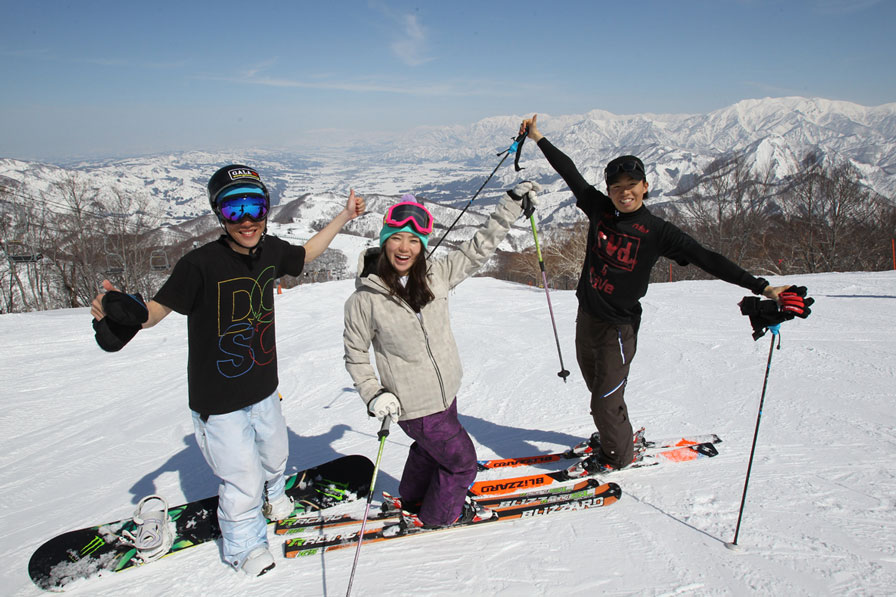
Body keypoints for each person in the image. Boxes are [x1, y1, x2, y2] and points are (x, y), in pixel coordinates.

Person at [90, 164, 365, 576]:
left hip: (264, 386)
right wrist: (116, 313)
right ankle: (244, 544)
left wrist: (345, 217)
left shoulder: (270, 249)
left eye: (255, 207)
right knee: (241, 477)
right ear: (220, 215)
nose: (248, 220)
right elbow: (152, 314)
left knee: (275, 455)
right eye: (235, 211)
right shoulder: (198, 265)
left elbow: (306, 253)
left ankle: (274, 494)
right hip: (217, 401)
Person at [519, 114, 812, 475]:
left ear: (645, 187)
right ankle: (615, 432)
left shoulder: (657, 231)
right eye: (616, 186)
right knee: (598, 390)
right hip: (587, 319)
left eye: (631, 185)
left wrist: (763, 287)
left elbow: (708, 259)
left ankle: (617, 455)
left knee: (604, 401)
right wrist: (537, 137)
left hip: (618, 329)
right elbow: (570, 172)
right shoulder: (599, 210)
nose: (624, 192)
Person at [343, 186, 539, 528]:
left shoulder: (437, 275)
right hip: (415, 405)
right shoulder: (364, 300)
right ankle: (439, 516)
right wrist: (374, 394)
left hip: (446, 392)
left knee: (427, 449)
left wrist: (510, 206)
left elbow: (479, 248)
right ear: (384, 241)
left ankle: (415, 497)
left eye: (414, 241)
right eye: (397, 239)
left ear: (422, 246)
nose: (405, 248)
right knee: (461, 463)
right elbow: (356, 355)